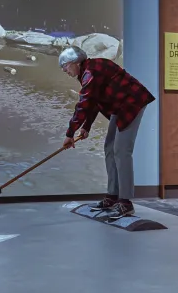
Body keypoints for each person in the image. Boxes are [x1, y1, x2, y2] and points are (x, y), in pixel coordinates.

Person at [59, 46, 155, 218]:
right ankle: (113, 196)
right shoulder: (87, 71)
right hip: (119, 107)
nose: (64, 70)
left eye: (64, 65)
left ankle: (125, 202)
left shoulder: (90, 72)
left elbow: (84, 104)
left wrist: (69, 134)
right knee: (109, 148)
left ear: (75, 62)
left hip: (132, 103)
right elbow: (94, 102)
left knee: (122, 151)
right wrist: (86, 127)